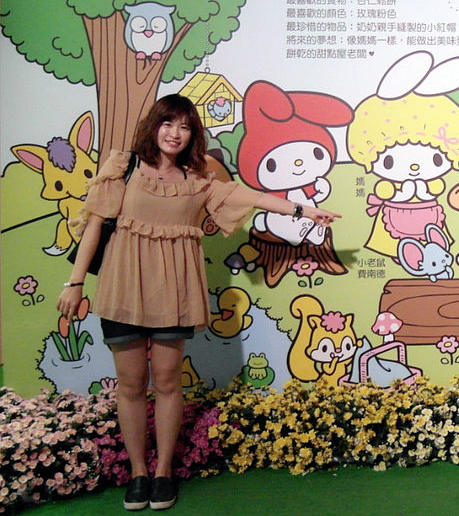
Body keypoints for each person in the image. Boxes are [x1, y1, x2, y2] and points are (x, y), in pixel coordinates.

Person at [56, 94, 337, 511]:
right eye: (168, 123)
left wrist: (303, 210)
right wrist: (75, 283)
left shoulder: (198, 179)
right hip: (122, 286)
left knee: (168, 382)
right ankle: (138, 473)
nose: (175, 133)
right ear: (154, 126)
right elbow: (95, 226)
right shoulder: (124, 166)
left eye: (184, 127)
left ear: (193, 135)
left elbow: (250, 198)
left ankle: (163, 472)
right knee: (130, 385)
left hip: (174, 291)